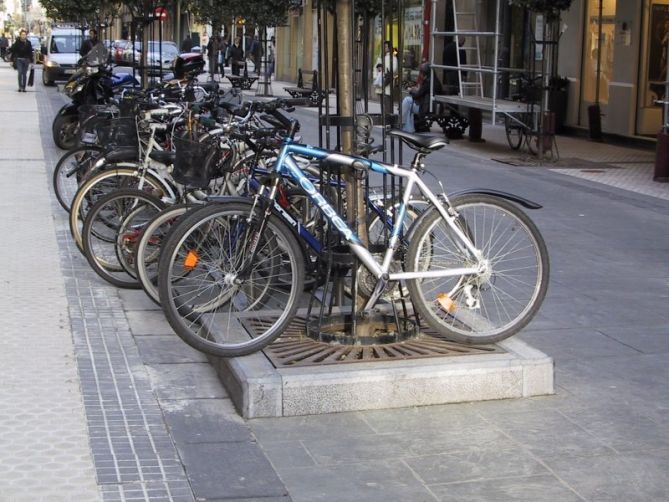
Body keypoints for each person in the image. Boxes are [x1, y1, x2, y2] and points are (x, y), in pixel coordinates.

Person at [400, 63, 443, 133]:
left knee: (407, 101)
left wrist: (411, 90)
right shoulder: (435, 81)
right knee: (408, 104)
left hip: (425, 108)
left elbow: (417, 95)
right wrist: (417, 89)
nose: (421, 75)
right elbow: (423, 92)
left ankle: (403, 124)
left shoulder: (427, 82)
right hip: (430, 105)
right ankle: (407, 127)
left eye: (421, 73)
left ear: (424, 73)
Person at [377, 40, 398, 113]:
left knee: (386, 103)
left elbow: (394, 70)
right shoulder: (382, 57)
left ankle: (387, 119)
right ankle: (384, 119)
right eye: (384, 47)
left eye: (386, 47)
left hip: (387, 82)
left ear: (389, 48)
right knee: (383, 103)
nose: (384, 48)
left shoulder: (393, 58)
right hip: (382, 82)